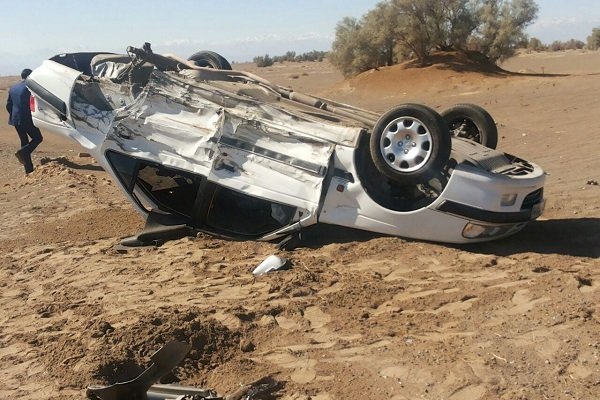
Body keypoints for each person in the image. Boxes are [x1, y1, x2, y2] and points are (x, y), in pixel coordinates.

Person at [6, 68, 43, 174]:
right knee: (38, 138)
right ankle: (22, 153)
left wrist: (14, 115)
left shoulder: (13, 88)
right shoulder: (29, 88)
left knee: (24, 141)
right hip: (26, 118)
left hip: (16, 119)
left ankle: (28, 169)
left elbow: (8, 105)